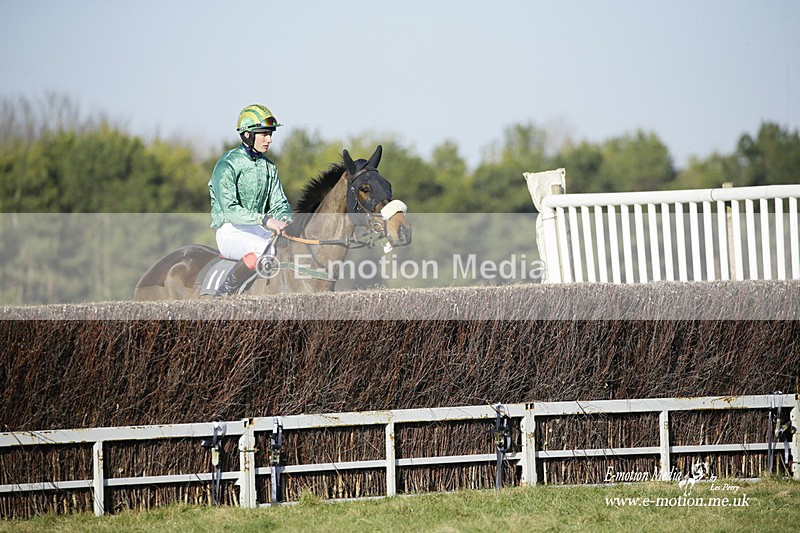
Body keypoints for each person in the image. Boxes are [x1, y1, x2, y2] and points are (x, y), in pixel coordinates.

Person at [208, 103, 292, 296]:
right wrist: (265, 220)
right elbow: (230, 209)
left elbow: (279, 203)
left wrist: (286, 222)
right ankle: (222, 296)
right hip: (230, 230)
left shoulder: (269, 167)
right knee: (265, 250)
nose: (269, 140)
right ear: (248, 134)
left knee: (289, 251)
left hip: (257, 230)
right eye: (265, 134)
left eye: (271, 134)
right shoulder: (227, 164)